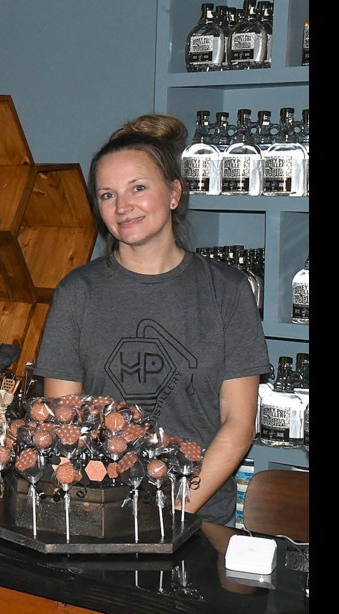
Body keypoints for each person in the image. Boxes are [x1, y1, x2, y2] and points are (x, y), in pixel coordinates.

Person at [32, 113, 269, 525]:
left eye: (138, 188)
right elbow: (64, 422)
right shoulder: (78, 293)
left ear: (174, 193)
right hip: (98, 513)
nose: (123, 206)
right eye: (107, 195)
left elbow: (238, 424)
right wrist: (102, 508)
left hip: (197, 517)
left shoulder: (227, 290)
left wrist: (177, 510)